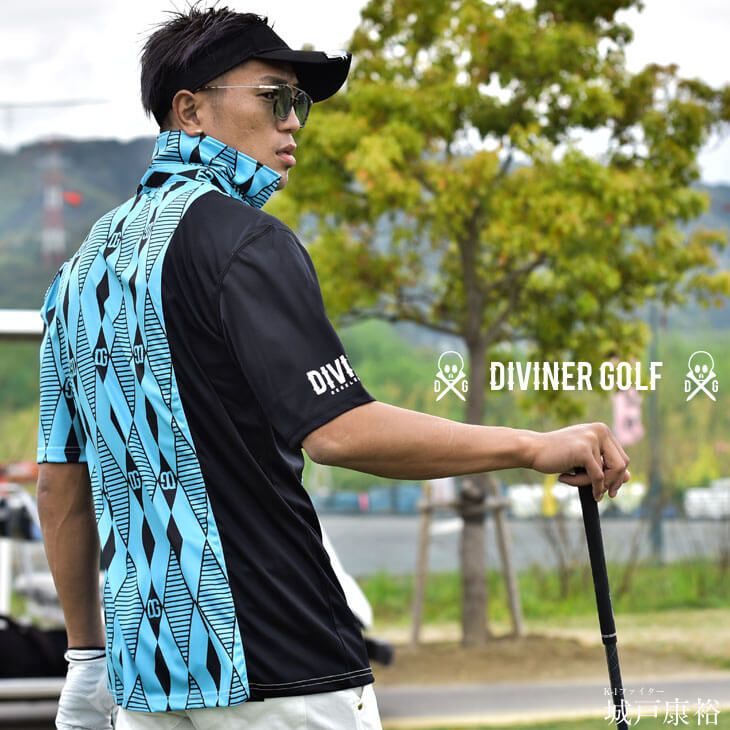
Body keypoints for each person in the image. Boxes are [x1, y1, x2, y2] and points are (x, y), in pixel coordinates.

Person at [35, 5, 630, 730]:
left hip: (147, 680)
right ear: (189, 110)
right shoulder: (246, 242)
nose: (293, 122)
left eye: (299, 104)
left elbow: (60, 484)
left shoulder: (79, 274)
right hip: (282, 664)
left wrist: (86, 659)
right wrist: (534, 446)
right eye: (274, 97)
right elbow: (340, 431)